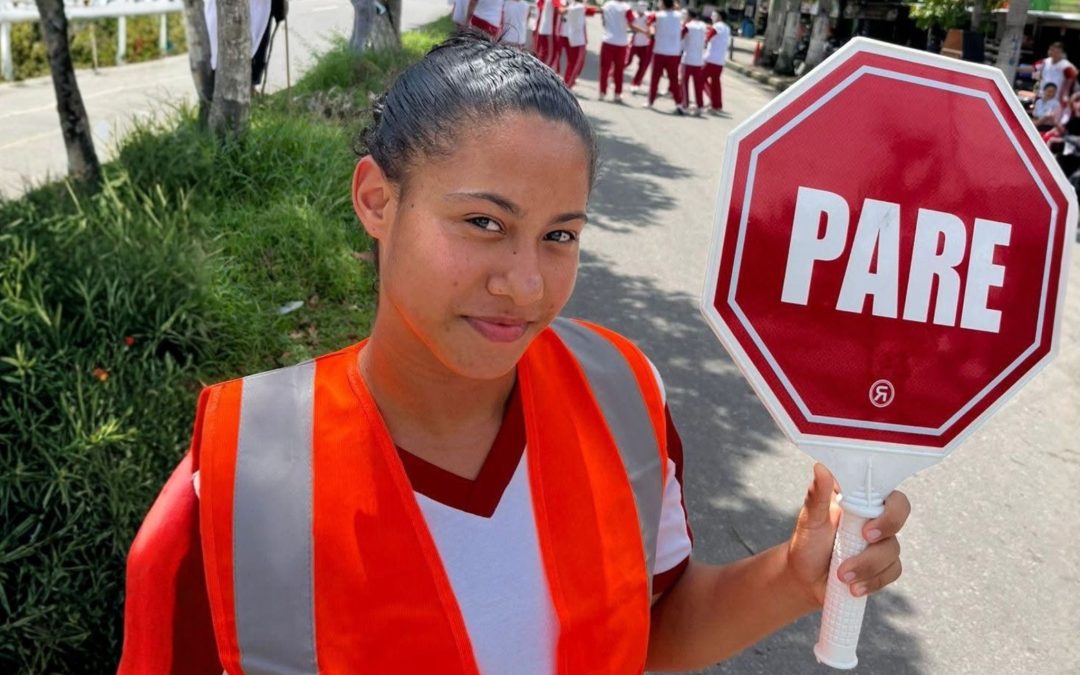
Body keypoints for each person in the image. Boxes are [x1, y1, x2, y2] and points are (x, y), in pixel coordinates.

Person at [118, 32, 910, 673]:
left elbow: (650, 628)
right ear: (376, 199)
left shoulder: (621, 397)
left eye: (560, 234)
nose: (526, 284)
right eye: (484, 223)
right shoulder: (230, 496)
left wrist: (797, 575)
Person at [598, 0, 643, 102]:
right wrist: (645, 32)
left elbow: (604, 21)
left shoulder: (607, 5)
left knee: (605, 69)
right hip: (621, 43)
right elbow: (631, 25)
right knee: (619, 70)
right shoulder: (626, 8)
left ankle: (602, 92)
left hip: (607, 40)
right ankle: (617, 94)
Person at [647, 0, 685, 112]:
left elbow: (650, 26)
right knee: (673, 80)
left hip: (660, 51)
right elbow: (679, 10)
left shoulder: (657, 15)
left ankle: (650, 101)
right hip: (674, 53)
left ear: (663, 3)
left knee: (655, 78)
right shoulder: (679, 16)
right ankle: (679, 104)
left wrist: (652, 34)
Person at [679, 7, 708, 116]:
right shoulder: (703, 26)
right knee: (698, 85)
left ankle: (684, 105)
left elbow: (679, 38)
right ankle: (700, 107)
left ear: (689, 16)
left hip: (687, 60)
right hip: (699, 61)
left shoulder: (687, 26)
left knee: (684, 84)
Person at [702, 9, 729, 115]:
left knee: (700, 78)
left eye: (714, 15)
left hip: (711, 59)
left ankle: (713, 101)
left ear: (719, 17)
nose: (712, 17)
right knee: (716, 83)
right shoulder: (726, 28)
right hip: (720, 61)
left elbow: (707, 38)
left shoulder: (717, 26)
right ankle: (717, 105)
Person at [559, 0, 589, 87]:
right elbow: (562, 11)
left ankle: (568, 81)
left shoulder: (576, 5)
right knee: (575, 62)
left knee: (572, 61)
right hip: (575, 38)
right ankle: (568, 84)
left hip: (570, 35)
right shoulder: (578, 6)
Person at [627, 1, 653, 94]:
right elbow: (629, 26)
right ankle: (613, 75)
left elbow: (652, 25)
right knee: (627, 62)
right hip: (633, 43)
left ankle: (635, 84)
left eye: (644, 6)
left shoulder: (648, 16)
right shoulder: (633, 15)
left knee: (642, 66)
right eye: (641, 6)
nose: (642, 8)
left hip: (645, 44)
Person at [534, 0, 563, 66]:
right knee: (550, 55)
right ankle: (543, 73)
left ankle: (538, 69)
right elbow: (561, 11)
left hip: (542, 29)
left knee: (543, 53)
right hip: (549, 31)